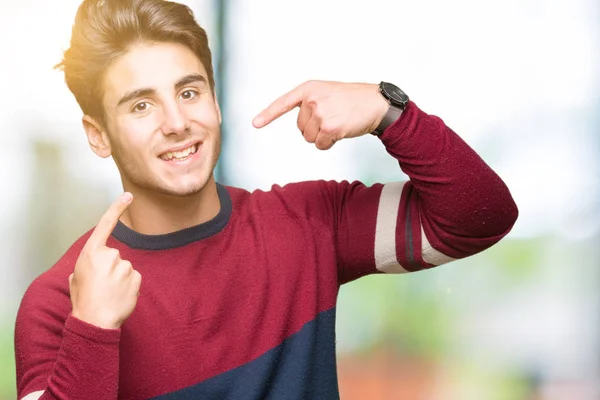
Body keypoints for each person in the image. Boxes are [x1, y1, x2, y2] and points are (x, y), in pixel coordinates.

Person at [14, 0, 519, 399]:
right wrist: (93, 330)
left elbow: (481, 217)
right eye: (141, 104)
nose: (175, 122)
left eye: (189, 92)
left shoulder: (305, 224)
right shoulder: (60, 302)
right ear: (98, 135)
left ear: (213, 98)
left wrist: (391, 111)